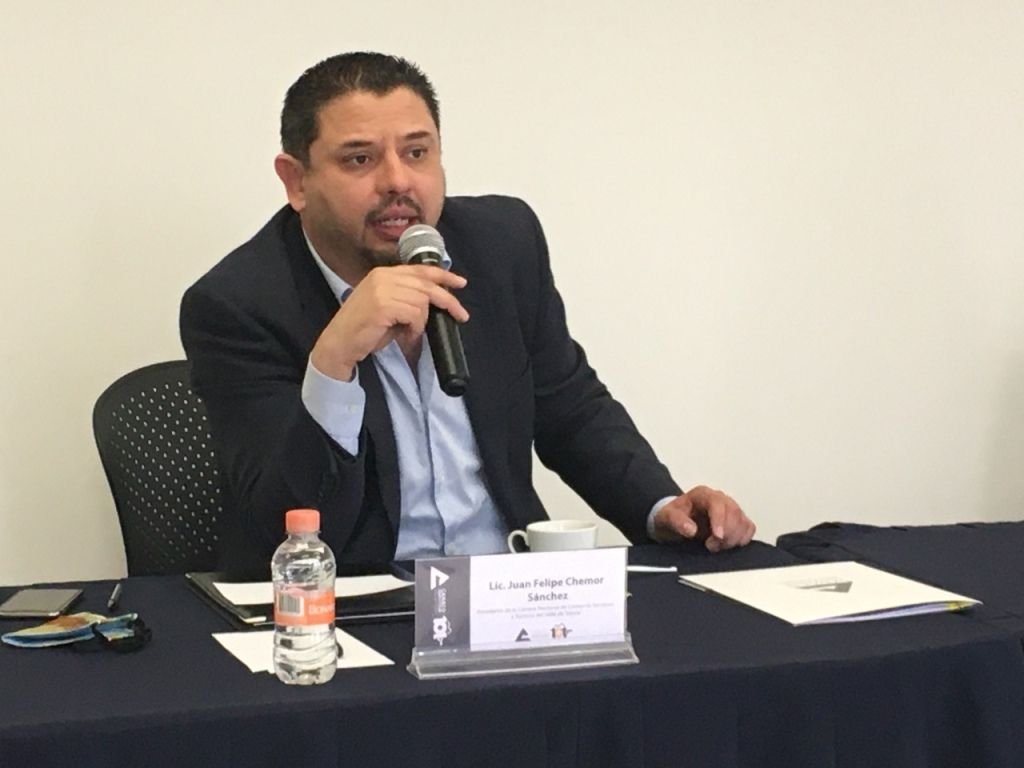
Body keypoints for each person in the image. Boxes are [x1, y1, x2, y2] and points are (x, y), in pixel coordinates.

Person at [180, 52, 755, 575]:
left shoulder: (502, 244)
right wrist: (333, 363)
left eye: (417, 153)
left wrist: (661, 507)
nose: (397, 181)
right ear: (297, 181)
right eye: (360, 159)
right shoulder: (237, 305)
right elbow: (281, 522)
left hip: (509, 588)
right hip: (358, 602)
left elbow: (569, 407)